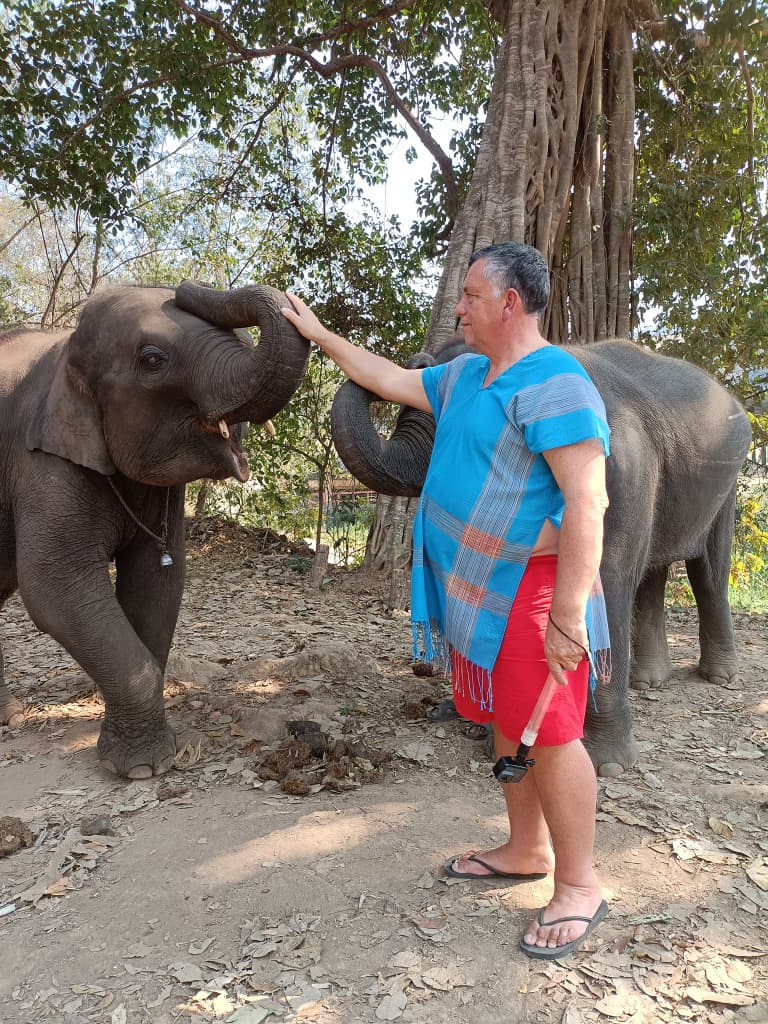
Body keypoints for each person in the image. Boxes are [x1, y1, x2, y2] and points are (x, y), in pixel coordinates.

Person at [281, 242, 611, 960]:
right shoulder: (466, 375)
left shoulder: (557, 383)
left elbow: (590, 500)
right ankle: (527, 849)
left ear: (509, 304)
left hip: (536, 595)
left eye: (468, 295)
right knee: (505, 722)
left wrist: (570, 617)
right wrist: (318, 335)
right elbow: (390, 378)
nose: (457, 307)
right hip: (480, 590)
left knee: (551, 735)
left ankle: (580, 885)